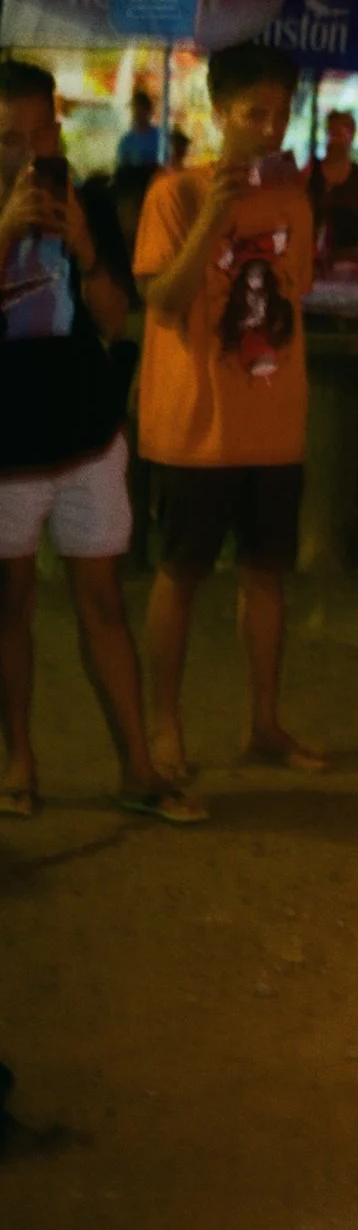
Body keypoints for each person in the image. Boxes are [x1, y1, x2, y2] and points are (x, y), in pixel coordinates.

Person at [0, 61, 203, 823]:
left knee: (105, 603)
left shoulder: (83, 204)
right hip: (7, 452)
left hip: (87, 439)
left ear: (56, 133)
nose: (26, 153)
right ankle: (19, 762)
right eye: (8, 138)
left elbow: (116, 319)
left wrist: (86, 248)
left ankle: (138, 770)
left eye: (37, 135)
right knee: (11, 606)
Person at [131, 43, 324, 782]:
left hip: (272, 425)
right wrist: (214, 214)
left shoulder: (293, 202)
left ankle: (264, 723)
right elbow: (163, 301)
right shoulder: (174, 195)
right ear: (218, 113)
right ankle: (164, 729)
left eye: (281, 115)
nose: (270, 130)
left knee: (266, 574)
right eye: (254, 114)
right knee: (180, 573)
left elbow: (290, 296)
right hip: (195, 429)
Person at [303, 108, 358, 269]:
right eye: (330, 133)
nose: (333, 140)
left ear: (351, 136)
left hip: (351, 261)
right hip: (311, 259)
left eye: (338, 134)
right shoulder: (310, 172)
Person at [114, 89, 164, 173]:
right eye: (135, 110)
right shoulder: (127, 141)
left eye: (141, 110)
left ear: (148, 111)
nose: (138, 114)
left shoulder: (160, 137)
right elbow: (121, 169)